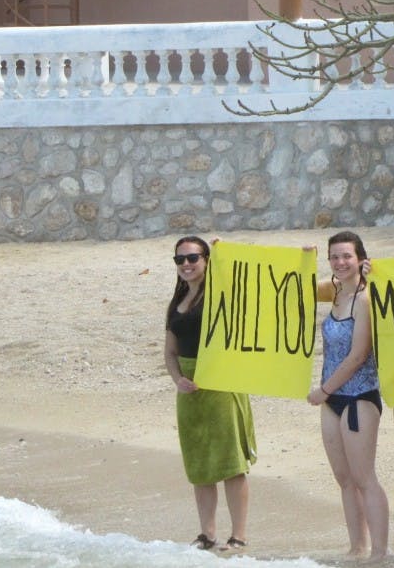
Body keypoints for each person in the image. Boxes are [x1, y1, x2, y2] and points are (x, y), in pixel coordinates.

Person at [163, 235, 256, 552]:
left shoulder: (220, 294)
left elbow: (249, 278)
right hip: (189, 393)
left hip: (222, 385)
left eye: (193, 258)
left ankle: (239, 535)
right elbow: (170, 352)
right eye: (180, 260)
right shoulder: (176, 304)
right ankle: (207, 534)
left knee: (231, 463)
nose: (186, 264)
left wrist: (225, 248)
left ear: (206, 260)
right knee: (200, 464)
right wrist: (178, 380)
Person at [306, 231, 389, 559]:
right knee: (344, 479)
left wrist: (323, 390)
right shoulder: (335, 292)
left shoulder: (367, 299)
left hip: (359, 397)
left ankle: (381, 551)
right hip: (331, 401)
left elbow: (358, 355)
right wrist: (303, 258)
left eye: (346, 256)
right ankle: (357, 547)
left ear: (360, 259)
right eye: (334, 257)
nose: (340, 262)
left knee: (364, 476)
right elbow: (291, 286)